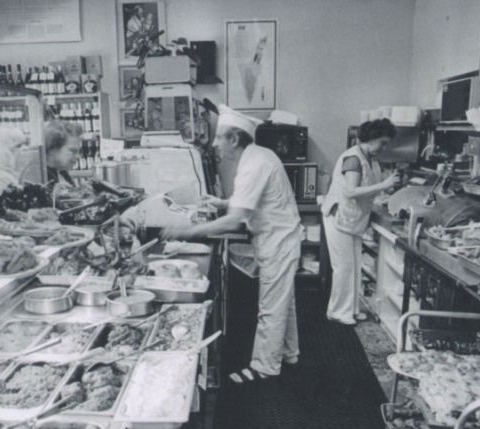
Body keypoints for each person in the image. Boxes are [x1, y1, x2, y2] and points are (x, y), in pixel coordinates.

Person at [162, 105, 303, 383]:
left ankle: (264, 366)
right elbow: (251, 201)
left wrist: (185, 231)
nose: (214, 144)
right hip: (278, 238)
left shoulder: (252, 165)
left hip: (278, 241)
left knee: (271, 307)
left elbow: (234, 221)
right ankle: (290, 352)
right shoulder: (259, 156)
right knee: (283, 303)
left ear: (234, 140)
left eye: (218, 138)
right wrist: (223, 203)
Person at [321, 118, 398, 325]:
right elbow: (350, 190)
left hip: (353, 219)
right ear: (372, 138)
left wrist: (385, 188)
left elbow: (367, 187)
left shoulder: (369, 159)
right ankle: (337, 311)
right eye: (382, 142)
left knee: (353, 266)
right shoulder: (352, 158)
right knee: (343, 267)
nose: (384, 147)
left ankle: (352, 309)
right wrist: (383, 185)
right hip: (339, 217)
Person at [0, 126, 28, 195]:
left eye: (26, 144)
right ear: (4, 150)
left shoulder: (7, 173)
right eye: (18, 146)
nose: (25, 149)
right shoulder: (0, 180)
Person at [44, 119, 84, 188]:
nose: (78, 156)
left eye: (78, 152)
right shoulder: (43, 178)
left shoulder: (62, 173)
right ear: (53, 149)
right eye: (72, 151)